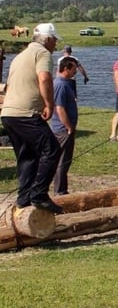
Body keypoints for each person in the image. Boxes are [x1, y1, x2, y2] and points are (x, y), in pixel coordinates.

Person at [0, 23, 64, 213]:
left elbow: (10, 86)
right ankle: (39, 194)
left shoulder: (20, 56)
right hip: (26, 113)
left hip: (9, 114)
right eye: (54, 40)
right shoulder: (43, 53)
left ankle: (24, 199)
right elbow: (44, 78)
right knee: (52, 149)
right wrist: (49, 104)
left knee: (27, 157)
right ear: (48, 39)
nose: (55, 44)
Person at [51, 56, 79, 195]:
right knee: (62, 161)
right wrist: (69, 126)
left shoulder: (66, 83)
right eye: (74, 69)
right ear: (66, 68)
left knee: (65, 161)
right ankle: (60, 192)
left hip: (64, 129)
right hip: (62, 130)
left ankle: (62, 189)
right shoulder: (61, 85)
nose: (76, 72)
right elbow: (59, 108)